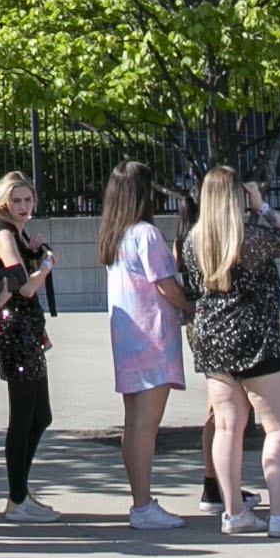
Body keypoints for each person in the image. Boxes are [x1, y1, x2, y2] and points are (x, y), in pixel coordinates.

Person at [181, 165, 280, 539]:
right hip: (256, 340)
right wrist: (263, 207)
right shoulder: (250, 239)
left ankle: (234, 512)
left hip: (214, 340)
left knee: (227, 426)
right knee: (279, 428)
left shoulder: (194, 241)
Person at [97, 159, 186, 530]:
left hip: (128, 340)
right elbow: (166, 284)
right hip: (152, 337)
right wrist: (192, 305)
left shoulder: (114, 235)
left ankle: (140, 500)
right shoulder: (146, 234)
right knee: (146, 426)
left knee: (133, 424)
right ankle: (143, 504)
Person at [0, 172, 56, 523]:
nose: (23, 206)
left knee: (40, 415)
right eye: (16, 201)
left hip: (27, 329)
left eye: (28, 200)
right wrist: (45, 266)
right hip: (17, 330)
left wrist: (32, 252)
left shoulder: (18, 233)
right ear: (3, 202)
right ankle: (16, 497)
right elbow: (23, 286)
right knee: (24, 415)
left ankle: (21, 492)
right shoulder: (3, 234)